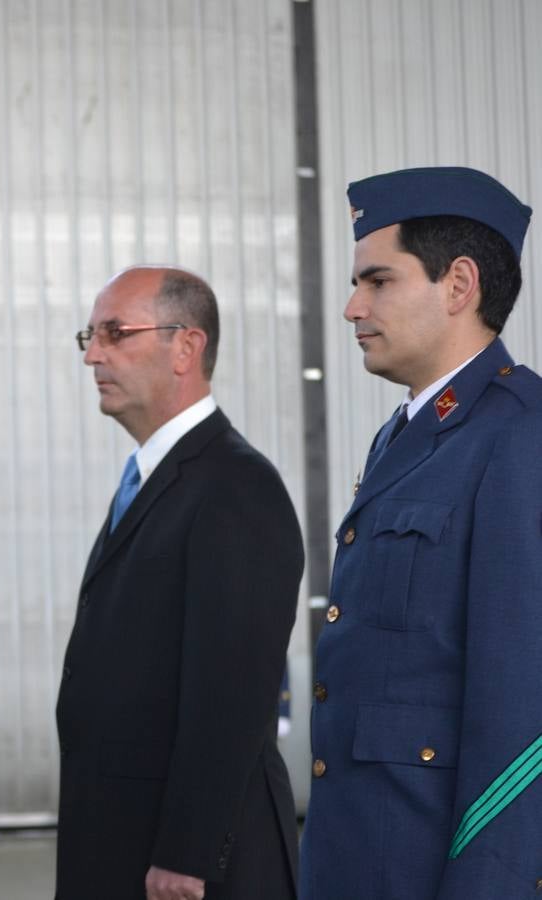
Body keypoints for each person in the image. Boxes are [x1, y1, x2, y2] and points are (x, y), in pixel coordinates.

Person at [301, 167, 542, 898]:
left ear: (459, 285)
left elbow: (521, 707)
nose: (352, 308)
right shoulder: (404, 436)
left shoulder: (517, 438)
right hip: (361, 857)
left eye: (377, 281)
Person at [56, 266, 303, 900]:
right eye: (90, 334)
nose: (92, 354)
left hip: (186, 867)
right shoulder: (155, 476)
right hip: (121, 835)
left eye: (116, 332)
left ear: (186, 348)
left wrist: (186, 854)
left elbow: (233, 690)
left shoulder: (235, 486)